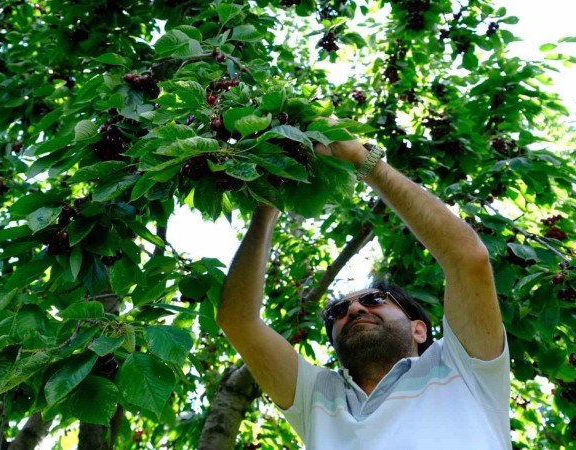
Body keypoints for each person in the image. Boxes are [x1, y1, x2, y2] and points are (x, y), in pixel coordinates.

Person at [216, 130, 511, 449]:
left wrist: (364, 161)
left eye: (374, 300)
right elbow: (237, 320)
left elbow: (468, 259)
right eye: (336, 313)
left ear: (419, 330)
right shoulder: (317, 395)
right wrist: (266, 206)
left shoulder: (462, 366)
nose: (354, 310)